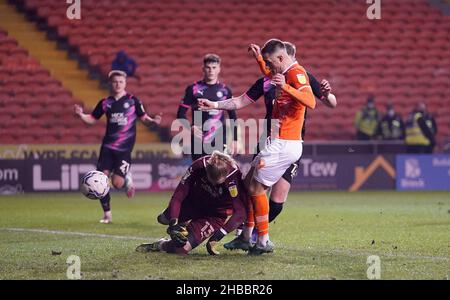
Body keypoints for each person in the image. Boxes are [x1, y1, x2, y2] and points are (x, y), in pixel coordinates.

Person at [199, 39, 316, 255]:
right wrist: (214, 104)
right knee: (248, 184)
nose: (269, 68)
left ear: (281, 58)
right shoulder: (276, 76)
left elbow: (311, 101)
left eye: (271, 63)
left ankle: (262, 240)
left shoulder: (296, 73)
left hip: (285, 143)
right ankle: (249, 237)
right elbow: (240, 101)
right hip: (275, 142)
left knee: (256, 189)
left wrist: (286, 87)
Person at [74, 70, 162, 224]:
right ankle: (107, 214)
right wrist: (81, 115)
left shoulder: (133, 101)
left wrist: (153, 121)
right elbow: (92, 119)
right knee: (99, 180)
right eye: (115, 82)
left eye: (121, 82)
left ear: (125, 83)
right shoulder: (105, 103)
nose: (118, 84)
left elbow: (144, 118)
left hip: (124, 149)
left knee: (117, 183)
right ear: (110, 83)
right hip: (107, 147)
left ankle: (127, 178)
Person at [135, 151, 248, 255]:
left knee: (181, 249)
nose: (214, 185)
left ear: (225, 175)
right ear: (206, 170)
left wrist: (217, 236)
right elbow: (179, 194)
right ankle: (178, 223)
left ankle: (160, 244)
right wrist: (173, 224)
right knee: (163, 219)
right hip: (192, 203)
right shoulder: (198, 166)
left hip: (214, 215)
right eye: (210, 181)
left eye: (217, 183)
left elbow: (241, 213)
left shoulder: (234, 178)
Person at [176, 54, 238, 161]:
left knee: (217, 174)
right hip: (198, 140)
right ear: (203, 69)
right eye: (208, 67)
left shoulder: (225, 91)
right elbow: (180, 114)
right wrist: (190, 128)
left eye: (214, 67)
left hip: (219, 140)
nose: (211, 71)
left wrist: (235, 140)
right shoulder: (193, 89)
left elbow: (233, 117)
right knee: (199, 173)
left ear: (219, 69)